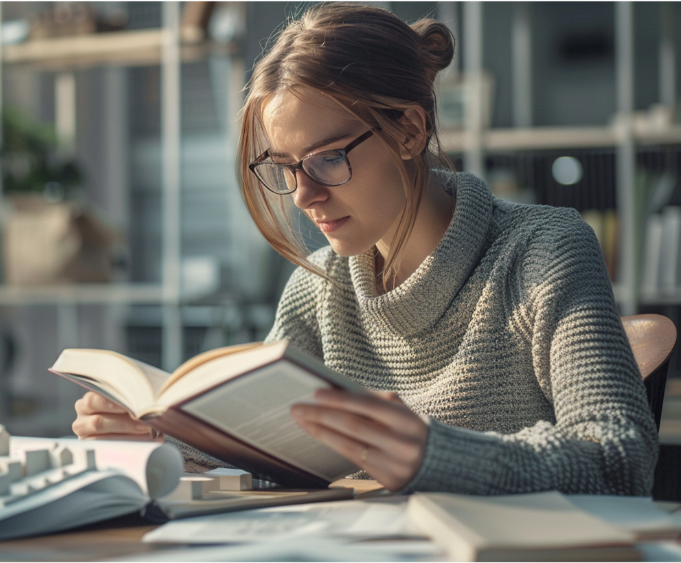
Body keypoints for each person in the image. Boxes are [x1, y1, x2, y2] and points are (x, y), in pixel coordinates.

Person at [72, 3, 657, 496]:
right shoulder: (320, 286)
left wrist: (436, 455)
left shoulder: (544, 252)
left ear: (408, 128)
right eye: (284, 167)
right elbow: (267, 444)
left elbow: (618, 454)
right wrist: (158, 430)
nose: (304, 195)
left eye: (328, 158)